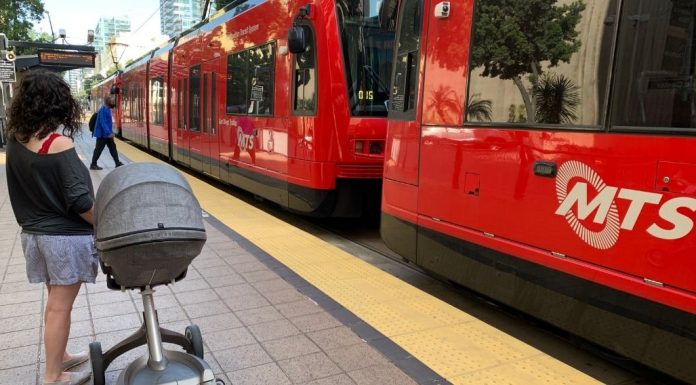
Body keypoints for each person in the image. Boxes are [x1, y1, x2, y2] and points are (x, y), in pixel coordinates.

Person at [5, 71, 95, 385]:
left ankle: (61, 356)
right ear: (57, 103)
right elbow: (81, 202)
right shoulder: (57, 143)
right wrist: (105, 222)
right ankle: (53, 375)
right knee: (59, 307)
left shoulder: (14, 136)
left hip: (34, 236)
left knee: (55, 302)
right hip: (64, 239)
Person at [89, 95, 123, 170]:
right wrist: (108, 133)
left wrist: (110, 132)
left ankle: (117, 163)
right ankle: (93, 164)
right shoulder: (103, 110)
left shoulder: (108, 109)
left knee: (113, 148)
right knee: (98, 149)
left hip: (107, 134)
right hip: (102, 135)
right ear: (108, 102)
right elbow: (102, 122)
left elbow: (108, 123)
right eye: (112, 102)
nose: (114, 103)